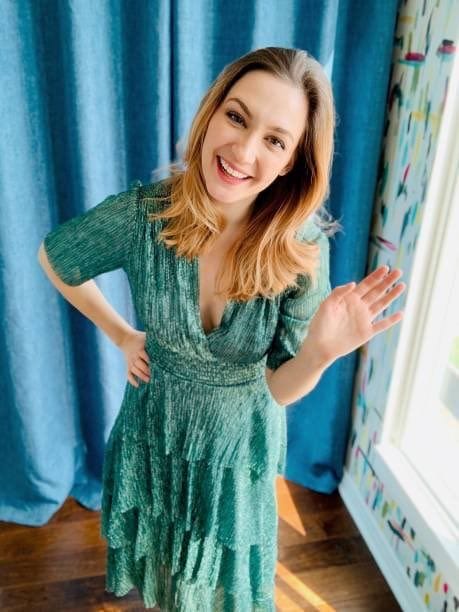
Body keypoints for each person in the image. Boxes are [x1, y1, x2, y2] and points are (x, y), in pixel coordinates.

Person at [38, 47, 406, 611]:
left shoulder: (302, 248)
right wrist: (122, 335)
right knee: (166, 578)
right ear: (211, 113)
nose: (243, 150)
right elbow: (56, 257)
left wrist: (320, 353)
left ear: (292, 162)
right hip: (156, 430)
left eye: (275, 140)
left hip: (237, 456)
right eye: (236, 117)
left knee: (218, 592)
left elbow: (278, 387)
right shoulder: (144, 215)